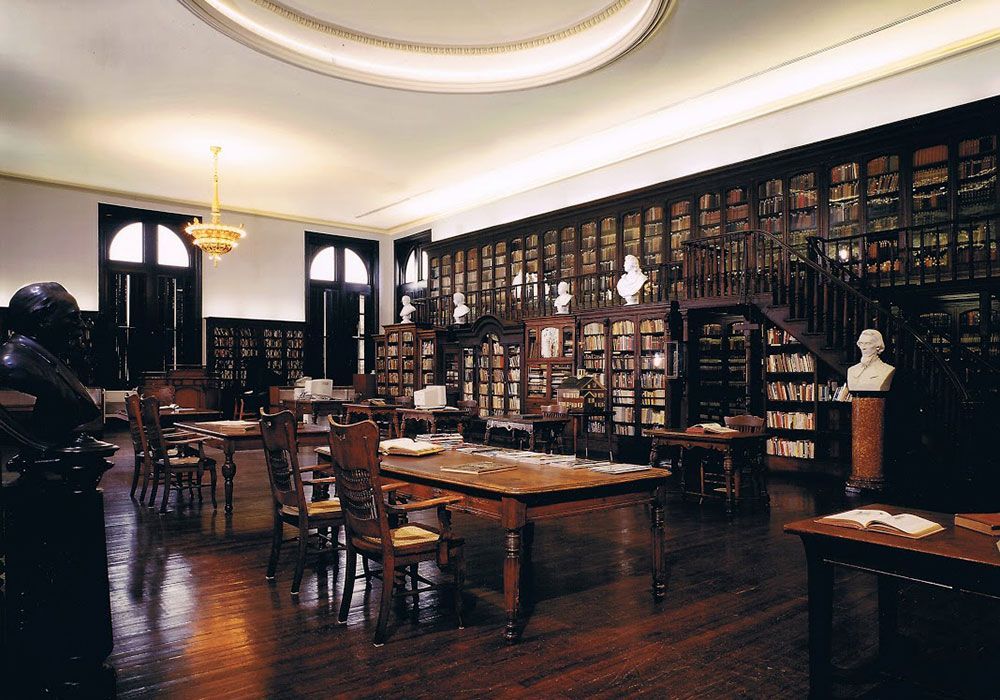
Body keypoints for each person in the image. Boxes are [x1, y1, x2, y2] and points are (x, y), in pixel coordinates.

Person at [0, 282, 99, 448]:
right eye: (73, 318)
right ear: (42, 320)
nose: (81, 325)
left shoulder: (44, 357)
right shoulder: (13, 363)